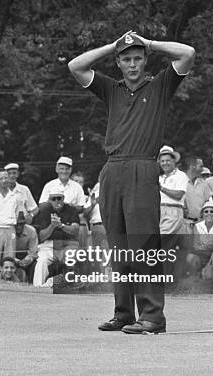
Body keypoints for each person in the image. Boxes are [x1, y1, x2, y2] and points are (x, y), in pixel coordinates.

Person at [68, 29, 195, 334]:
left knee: (143, 244)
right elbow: (76, 66)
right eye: (127, 59)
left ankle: (152, 316)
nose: (133, 64)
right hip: (112, 169)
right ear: (119, 63)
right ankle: (123, 313)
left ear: (145, 60)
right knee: (119, 246)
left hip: (142, 166)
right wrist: (113, 45)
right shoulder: (111, 89)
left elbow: (187, 53)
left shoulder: (161, 84)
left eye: (138, 58)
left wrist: (149, 42)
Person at [33, 187, 79, 288]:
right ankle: (37, 288)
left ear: (63, 198)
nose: (57, 201)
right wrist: (52, 226)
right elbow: (42, 236)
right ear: (49, 200)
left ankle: (62, 284)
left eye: (59, 198)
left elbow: (75, 230)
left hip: (68, 244)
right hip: (49, 244)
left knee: (71, 260)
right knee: (42, 261)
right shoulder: (44, 211)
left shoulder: (71, 210)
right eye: (53, 199)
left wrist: (61, 225)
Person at [185, 200, 213, 278]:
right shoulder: (197, 226)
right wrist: (211, 243)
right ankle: (195, 279)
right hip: (201, 254)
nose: (209, 213)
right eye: (206, 211)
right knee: (190, 257)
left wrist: (203, 244)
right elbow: (195, 245)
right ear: (202, 214)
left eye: (212, 211)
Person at [158, 145, 187, 251]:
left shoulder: (181, 175)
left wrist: (161, 188)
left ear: (174, 161)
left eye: (168, 160)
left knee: (159, 241)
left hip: (173, 211)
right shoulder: (159, 177)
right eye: (162, 161)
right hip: (159, 212)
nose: (165, 163)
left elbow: (178, 195)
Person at [15, 211, 38, 283]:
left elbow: (33, 251)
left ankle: (31, 284)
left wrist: (27, 260)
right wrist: (17, 261)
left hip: (26, 255)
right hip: (12, 256)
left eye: (21, 224)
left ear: (24, 224)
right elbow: (7, 251)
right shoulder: (9, 230)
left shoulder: (31, 231)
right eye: (16, 224)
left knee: (35, 264)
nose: (18, 227)